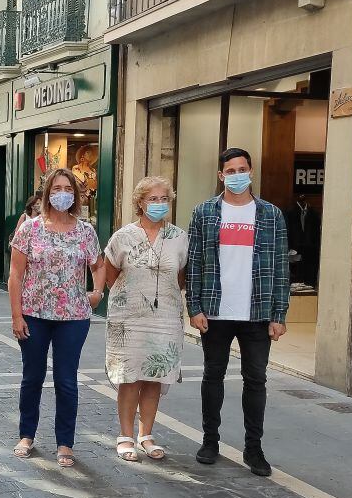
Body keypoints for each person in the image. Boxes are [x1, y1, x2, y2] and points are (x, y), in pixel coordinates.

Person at [188, 148, 289, 478]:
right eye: (230, 171)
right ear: (221, 175)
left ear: (251, 171)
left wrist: (279, 313)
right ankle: (210, 441)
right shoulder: (205, 212)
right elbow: (195, 263)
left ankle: (254, 448)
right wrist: (195, 307)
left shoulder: (271, 215)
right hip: (215, 311)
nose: (236, 175)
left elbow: (280, 267)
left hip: (257, 312)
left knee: (256, 380)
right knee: (212, 376)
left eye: (241, 169)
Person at [8, 168, 105, 467]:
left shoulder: (85, 230)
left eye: (68, 188)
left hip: (74, 316)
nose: (62, 193)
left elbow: (98, 265)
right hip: (34, 314)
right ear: (47, 193)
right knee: (32, 377)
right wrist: (16, 315)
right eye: (56, 187)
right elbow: (15, 274)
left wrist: (97, 292)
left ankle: (65, 442)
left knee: (66, 380)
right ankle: (27, 434)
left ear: (75, 194)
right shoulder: (30, 229)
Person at [104, 176, 188, 462]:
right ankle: (125, 435)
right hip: (128, 320)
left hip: (165, 317)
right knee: (130, 378)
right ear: (140, 202)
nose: (159, 204)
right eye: (153, 199)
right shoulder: (123, 236)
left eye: (164, 198)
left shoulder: (179, 237)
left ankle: (147, 434)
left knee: (155, 377)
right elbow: (111, 275)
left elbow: (180, 276)